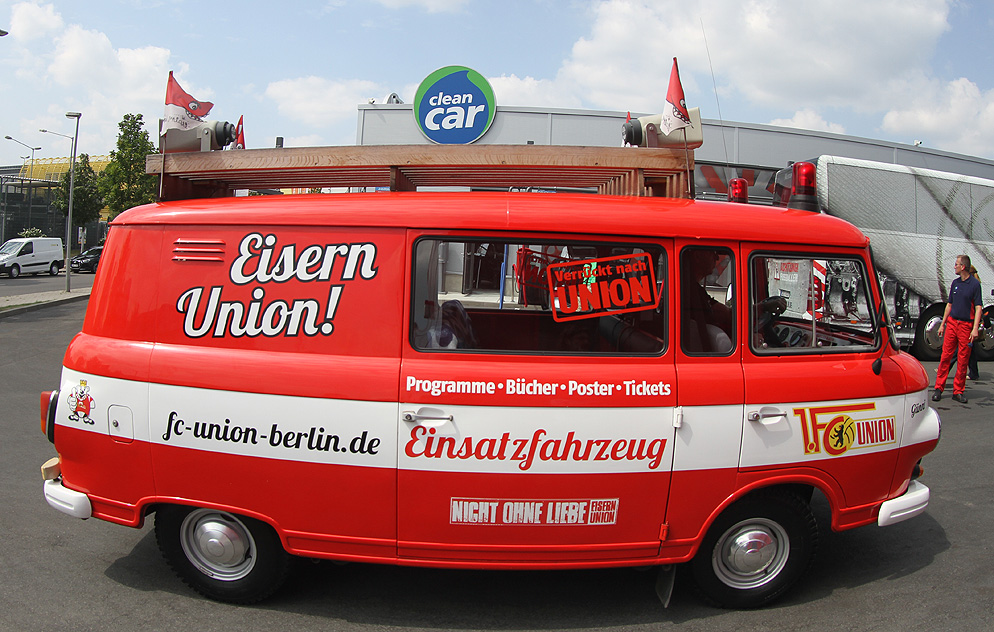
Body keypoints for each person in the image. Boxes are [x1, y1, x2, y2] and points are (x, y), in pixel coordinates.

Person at [932, 255, 983, 403]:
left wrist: (975, 328)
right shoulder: (955, 283)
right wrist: (943, 324)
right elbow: (949, 305)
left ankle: (958, 391)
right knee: (945, 356)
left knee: (962, 359)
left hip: (966, 326)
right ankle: (938, 388)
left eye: (956, 264)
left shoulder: (974, 285)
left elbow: (978, 307)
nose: (954, 267)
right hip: (952, 323)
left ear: (963, 267)